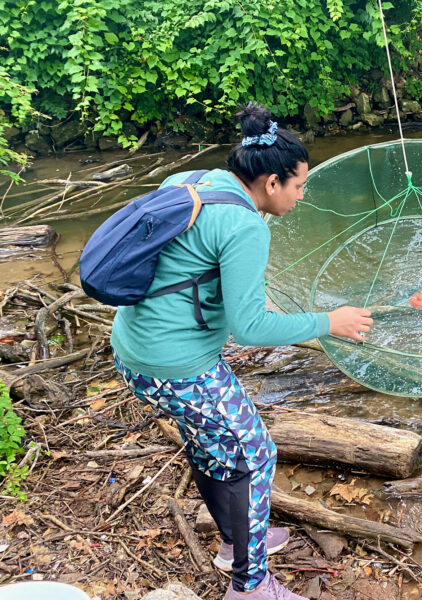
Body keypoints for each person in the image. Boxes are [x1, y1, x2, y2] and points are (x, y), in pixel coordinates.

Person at [110, 103, 373, 600]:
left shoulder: (195, 179)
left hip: (132, 349)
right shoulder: (246, 225)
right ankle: (250, 587)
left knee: (212, 444)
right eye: (299, 185)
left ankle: (236, 543)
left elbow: (186, 266)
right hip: (176, 366)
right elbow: (249, 328)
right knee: (255, 456)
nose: (302, 195)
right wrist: (329, 322)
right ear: (271, 183)